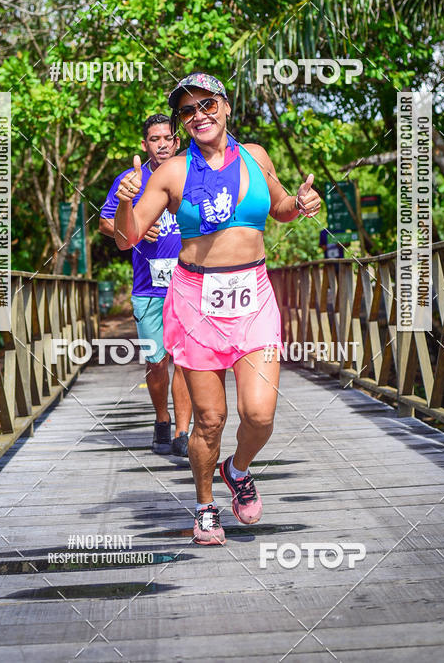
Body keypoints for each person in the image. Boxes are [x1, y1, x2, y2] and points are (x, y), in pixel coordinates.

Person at [113, 74, 322, 545]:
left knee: (260, 415)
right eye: (187, 111)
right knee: (210, 419)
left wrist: (301, 201)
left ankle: (238, 469)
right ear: (182, 123)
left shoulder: (256, 156)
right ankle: (206, 506)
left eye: (207, 104)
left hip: (254, 297)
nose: (198, 115)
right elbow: (128, 236)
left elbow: (281, 208)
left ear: (226, 107)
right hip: (195, 302)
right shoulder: (171, 173)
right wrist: (127, 202)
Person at [99, 113, 192, 457]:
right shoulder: (130, 180)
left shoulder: (190, 174)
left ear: (177, 142)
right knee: (156, 361)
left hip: (187, 282)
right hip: (148, 286)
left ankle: (183, 431)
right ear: (145, 144)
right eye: (155, 139)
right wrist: (135, 226)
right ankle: (162, 420)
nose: (162, 144)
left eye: (168, 138)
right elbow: (105, 224)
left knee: (184, 360)